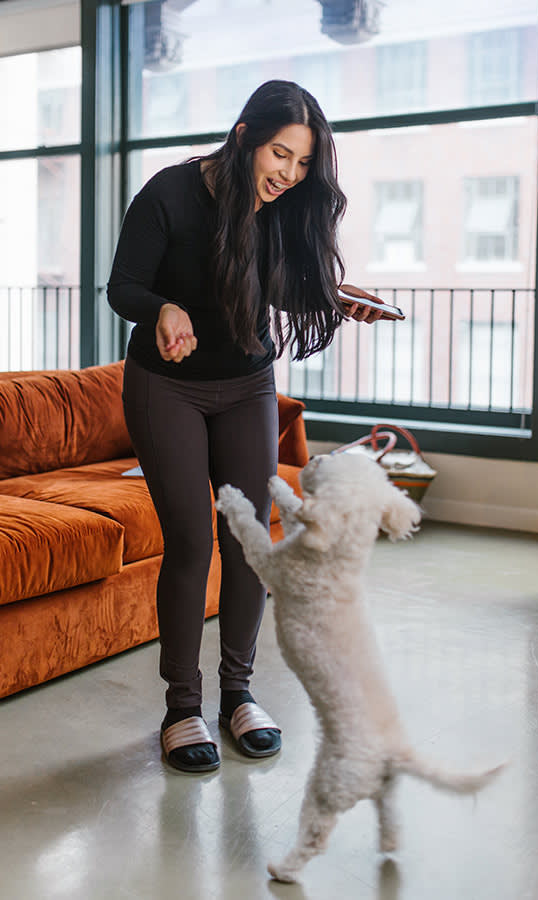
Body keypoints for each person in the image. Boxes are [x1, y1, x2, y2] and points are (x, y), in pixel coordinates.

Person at [107, 79, 384, 773]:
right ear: (243, 136)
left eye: (300, 164)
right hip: (166, 387)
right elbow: (123, 286)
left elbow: (271, 285)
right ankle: (181, 707)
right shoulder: (168, 193)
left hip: (248, 385)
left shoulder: (279, 207)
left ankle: (237, 694)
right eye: (279, 154)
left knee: (248, 538)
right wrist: (164, 309)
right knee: (192, 542)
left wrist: (335, 297)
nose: (288, 175)